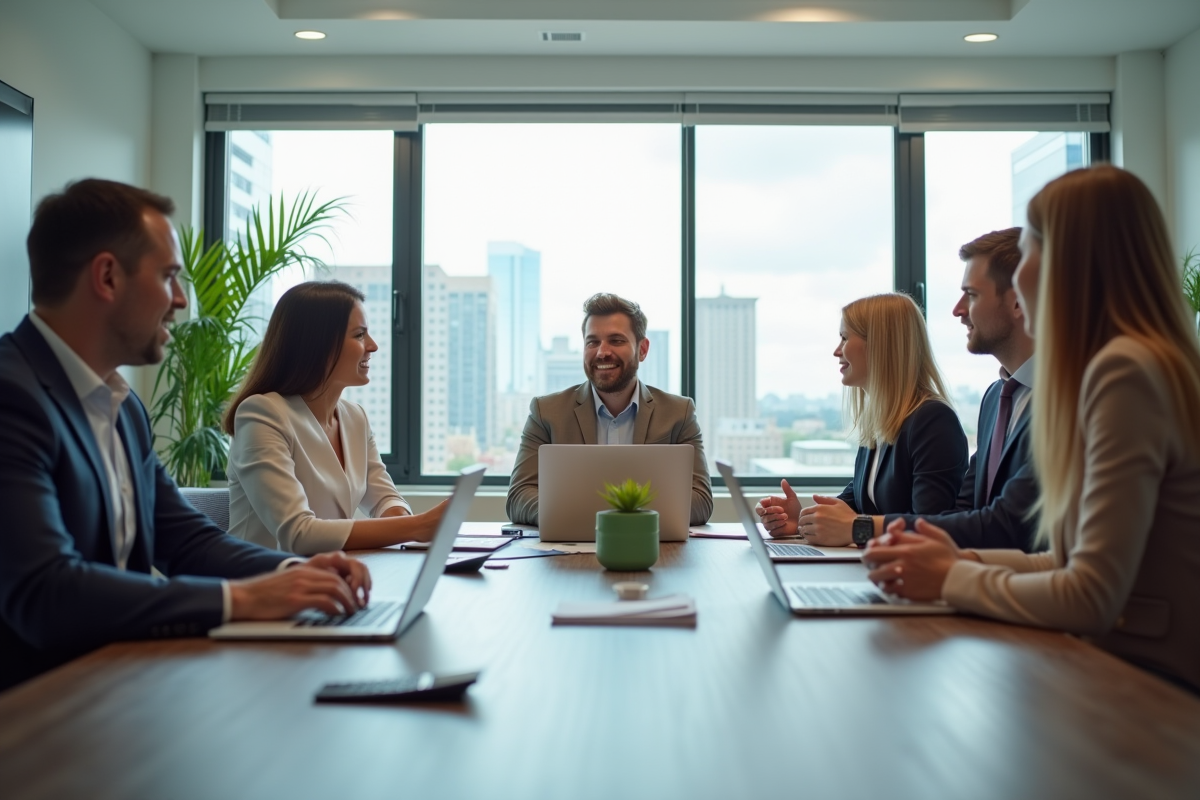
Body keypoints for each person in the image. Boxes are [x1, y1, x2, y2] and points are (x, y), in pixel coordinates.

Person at [0, 179, 371, 692]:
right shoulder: (11, 398)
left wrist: (291, 570)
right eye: (170, 276)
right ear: (107, 277)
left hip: (113, 685)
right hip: (34, 709)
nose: (180, 299)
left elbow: (185, 539)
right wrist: (240, 600)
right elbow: (45, 592)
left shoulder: (123, 406)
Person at [865, 165, 1200, 694]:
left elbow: (1091, 594)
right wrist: (961, 558)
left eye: (1034, 249)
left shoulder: (1125, 371)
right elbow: (1065, 560)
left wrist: (951, 577)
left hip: (1148, 687)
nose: (1021, 278)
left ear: (1071, 265)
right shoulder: (1125, 365)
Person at [225, 281, 447, 555]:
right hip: (263, 586)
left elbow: (384, 499)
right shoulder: (261, 414)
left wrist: (404, 518)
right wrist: (419, 526)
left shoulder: (355, 418)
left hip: (327, 579)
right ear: (318, 344)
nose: (373, 346)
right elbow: (299, 533)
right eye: (359, 335)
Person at [873, 229, 1040, 551]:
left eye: (972, 295)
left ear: (1019, 302)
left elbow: (1006, 523)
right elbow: (965, 510)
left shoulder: (1070, 398)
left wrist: (863, 529)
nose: (957, 309)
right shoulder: (996, 397)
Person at [756, 293, 968, 545]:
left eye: (844, 338)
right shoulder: (881, 422)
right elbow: (855, 506)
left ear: (880, 345)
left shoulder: (933, 421)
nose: (837, 351)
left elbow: (928, 526)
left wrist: (855, 528)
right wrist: (801, 522)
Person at [506, 293, 713, 526]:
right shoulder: (546, 412)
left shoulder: (679, 413)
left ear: (642, 349)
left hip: (654, 553)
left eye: (616, 340)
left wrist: (616, 520)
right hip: (566, 557)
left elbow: (701, 501)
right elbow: (518, 496)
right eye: (592, 342)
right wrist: (593, 518)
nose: (602, 352)